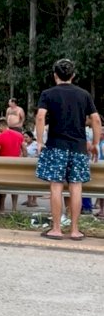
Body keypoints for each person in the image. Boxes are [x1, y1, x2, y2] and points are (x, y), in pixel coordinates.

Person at [35, 59, 101, 241]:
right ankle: (75, 230)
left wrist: (39, 141)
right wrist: (95, 143)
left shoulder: (48, 94)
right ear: (73, 75)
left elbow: (40, 117)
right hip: (79, 147)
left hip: (56, 145)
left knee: (56, 186)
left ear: (55, 75)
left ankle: (56, 229)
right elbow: (96, 120)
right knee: (76, 187)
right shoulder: (84, 94)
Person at [0, 119, 25, 212]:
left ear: (1, 126)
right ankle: (14, 208)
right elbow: (24, 149)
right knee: (15, 186)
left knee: (2, 186)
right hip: (16, 164)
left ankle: (2, 207)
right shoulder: (19, 135)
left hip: (4, 165)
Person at [21, 131, 39, 208]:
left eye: (26, 137)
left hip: (34, 165)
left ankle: (34, 200)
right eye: (24, 137)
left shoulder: (36, 144)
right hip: (26, 164)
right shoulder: (24, 144)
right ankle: (29, 199)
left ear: (31, 137)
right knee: (28, 183)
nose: (25, 139)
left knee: (34, 184)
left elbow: (40, 153)